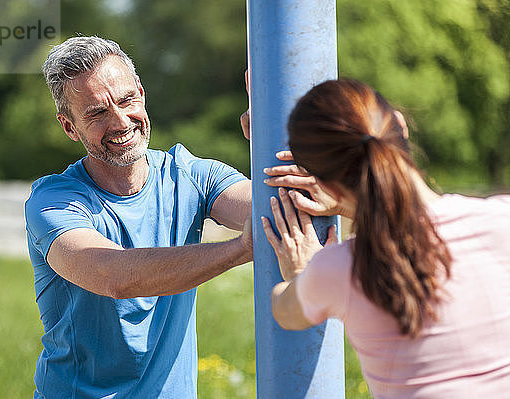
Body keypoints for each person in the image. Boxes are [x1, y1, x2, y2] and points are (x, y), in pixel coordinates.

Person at [25, 36, 252, 398]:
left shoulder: (189, 174)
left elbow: (276, 206)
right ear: (69, 127)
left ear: (142, 95)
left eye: (127, 100)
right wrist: (241, 249)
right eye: (97, 112)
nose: (119, 121)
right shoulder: (54, 202)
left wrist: (275, 137)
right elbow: (114, 275)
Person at [261, 79, 510, 398]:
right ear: (402, 127)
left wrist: (301, 274)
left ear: (330, 188)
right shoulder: (500, 219)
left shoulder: (340, 269)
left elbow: (285, 310)